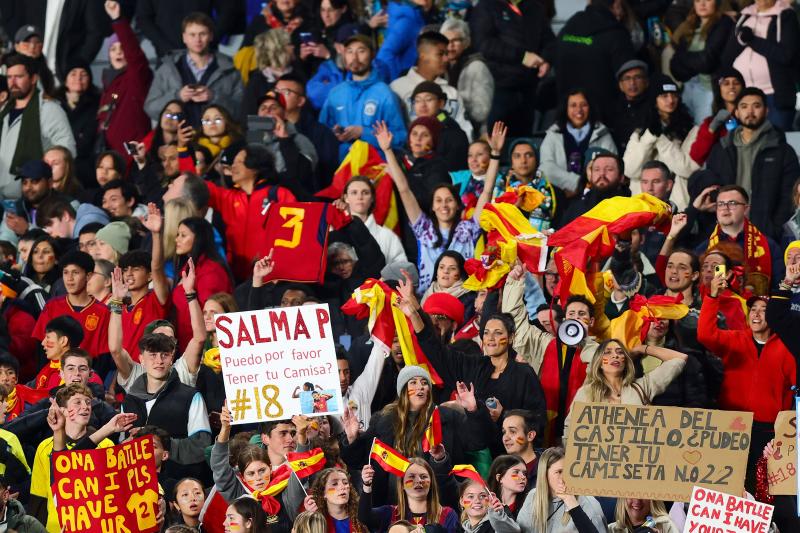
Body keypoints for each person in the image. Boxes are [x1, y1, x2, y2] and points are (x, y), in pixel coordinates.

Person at [374, 120, 500, 291]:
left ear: (457, 205)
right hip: (428, 299)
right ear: (432, 207)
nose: (444, 205)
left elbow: (487, 191)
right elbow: (404, 189)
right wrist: (388, 150)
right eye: (438, 201)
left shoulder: (469, 229)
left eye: (449, 200)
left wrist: (495, 153)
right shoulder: (424, 229)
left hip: (463, 297)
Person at [341, 365, 489, 506]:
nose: (421, 386)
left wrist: (473, 410)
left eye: (425, 383)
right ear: (404, 390)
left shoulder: (447, 417)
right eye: (413, 382)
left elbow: (478, 442)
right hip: (393, 503)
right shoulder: (382, 420)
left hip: (436, 501)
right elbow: (359, 461)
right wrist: (352, 438)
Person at [698, 273, 795, 485]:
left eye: (764, 310)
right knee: (729, 485)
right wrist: (712, 296)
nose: (757, 314)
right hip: (731, 426)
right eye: (753, 309)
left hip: (768, 431)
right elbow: (705, 335)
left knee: (760, 487)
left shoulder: (788, 347)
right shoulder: (736, 339)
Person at [699, 88, 800, 241]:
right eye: (744, 106)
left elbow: (790, 196)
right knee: (721, 267)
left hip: (767, 237)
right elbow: (713, 190)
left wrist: (774, 229)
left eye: (756, 106)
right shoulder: (721, 149)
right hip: (726, 235)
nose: (750, 111)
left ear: (766, 111)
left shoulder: (783, 151)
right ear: (737, 112)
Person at [122, 332, 212, 482]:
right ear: (141, 359)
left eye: (165, 355)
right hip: (135, 486)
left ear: (172, 358)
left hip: (179, 486)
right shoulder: (129, 401)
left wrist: (162, 443)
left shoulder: (190, 396)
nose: (159, 361)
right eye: (152, 355)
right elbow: (121, 447)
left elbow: (200, 446)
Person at [29, 384, 120, 532]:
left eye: (88, 402)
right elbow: (38, 496)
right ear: (62, 410)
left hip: (95, 527)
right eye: (77, 402)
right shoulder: (45, 447)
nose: (85, 407)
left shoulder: (106, 445)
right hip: (56, 528)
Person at [202, 144, 296, 281]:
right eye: (232, 163)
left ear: (255, 167)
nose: (232, 166)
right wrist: (183, 150)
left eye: (239, 162)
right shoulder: (228, 198)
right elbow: (193, 186)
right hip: (235, 278)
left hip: (271, 276)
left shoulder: (280, 196)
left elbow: (292, 237)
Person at [563, 339, 688, 439]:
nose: (615, 356)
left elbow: (680, 358)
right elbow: (570, 432)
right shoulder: (586, 392)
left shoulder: (643, 386)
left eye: (620, 352)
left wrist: (642, 348)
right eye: (608, 352)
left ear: (626, 361)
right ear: (599, 362)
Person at [211, 404, 306, 530]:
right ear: (242, 477)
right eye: (251, 473)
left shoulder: (286, 490)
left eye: (262, 470)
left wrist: (302, 437)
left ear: (270, 468)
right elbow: (219, 467)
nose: (258, 478)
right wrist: (225, 429)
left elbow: (301, 469)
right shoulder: (239, 493)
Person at [470, 0, 555, 137]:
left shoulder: (534, 7)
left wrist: (546, 60)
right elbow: (484, 43)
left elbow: (549, 40)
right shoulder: (486, 6)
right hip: (499, 87)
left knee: (523, 140)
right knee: (497, 138)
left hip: (529, 88)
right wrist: (522, 56)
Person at [144, 12, 243, 129]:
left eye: (202, 34)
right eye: (192, 34)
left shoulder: (229, 71)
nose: (198, 39)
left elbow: (241, 112)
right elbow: (150, 108)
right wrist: (177, 96)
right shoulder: (167, 69)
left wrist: (214, 97)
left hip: (216, 143)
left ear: (211, 36)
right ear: (184, 37)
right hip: (177, 141)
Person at [0, 54, 75, 200]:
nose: (13, 82)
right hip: (3, 200)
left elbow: (67, 152)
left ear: (33, 79)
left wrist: (47, 186)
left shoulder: (49, 110)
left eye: (19, 76)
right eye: (9, 77)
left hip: (33, 199)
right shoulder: (4, 111)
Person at [319, 32, 407, 157]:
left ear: (372, 54)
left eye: (361, 51)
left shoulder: (384, 93)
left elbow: (400, 138)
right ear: (344, 56)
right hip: (343, 168)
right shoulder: (336, 93)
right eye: (349, 51)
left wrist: (363, 133)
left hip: (375, 168)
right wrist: (334, 133)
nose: (354, 57)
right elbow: (321, 132)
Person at [721, 0, 800, 131]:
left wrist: (752, 40)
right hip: (744, 94)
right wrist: (741, 40)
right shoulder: (745, 15)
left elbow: (786, 56)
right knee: (746, 145)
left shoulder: (786, 16)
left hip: (774, 96)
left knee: (775, 145)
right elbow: (727, 56)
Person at [624, 74, 698, 209]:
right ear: (654, 100)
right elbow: (630, 170)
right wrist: (650, 136)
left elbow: (688, 169)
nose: (670, 100)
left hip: (678, 208)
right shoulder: (640, 132)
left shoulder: (690, 130)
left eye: (674, 95)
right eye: (664, 96)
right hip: (643, 209)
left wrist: (661, 140)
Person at [695, 185, 784, 294]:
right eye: (721, 204)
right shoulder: (704, 248)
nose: (725, 208)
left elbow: (779, 286)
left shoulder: (769, 246)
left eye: (732, 203)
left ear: (746, 209)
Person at [554, 0, 635, 115]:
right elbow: (629, 81)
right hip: (605, 117)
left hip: (569, 113)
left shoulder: (568, 27)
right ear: (616, 5)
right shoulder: (617, 36)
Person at [390, 32, 472, 140]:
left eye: (446, 54)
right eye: (440, 54)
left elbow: (465, 130)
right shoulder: (397, 88)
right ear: (422, 55)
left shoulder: (452, 93)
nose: (446, 59)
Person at [97, 0, 154, 157]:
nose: (118, 52)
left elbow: (135, 56)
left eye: (122, 48)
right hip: (110, 161)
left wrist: (118, 20)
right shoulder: (106, 85)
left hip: (133, 159)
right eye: (113, 49)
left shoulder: (136, 77)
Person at [539, 89, 617, 198]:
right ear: (566, 108)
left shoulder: (602, 133)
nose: (579, 110)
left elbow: (613, 166)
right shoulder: (553, 133)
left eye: (583, 105)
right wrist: (575, 184)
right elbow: (546, 168)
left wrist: (585, 188)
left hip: (596, 197)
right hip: (560, 196)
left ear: (590, 107)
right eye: (573, 105)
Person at [32, 251, 111, 359]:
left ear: (88, 276)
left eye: (75, 272)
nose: (69, 278)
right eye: (65, 272)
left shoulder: (103, 312)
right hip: (53, 372)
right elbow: (40, 346)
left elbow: (104, 354)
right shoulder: (52, 306)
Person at [668, 0, 735, 123]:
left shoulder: (724, 23)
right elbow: (674, 67)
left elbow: (706, 62)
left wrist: (683, 58)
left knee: (702, 132)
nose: (702, 4)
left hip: (709, 90)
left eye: (707, 0)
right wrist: (693, 60)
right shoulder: (689, 25)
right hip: (687, 88)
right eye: (698, 0)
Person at [171, 218, 233, 351]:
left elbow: (211, 318)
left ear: (199, 238)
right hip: (188, 345)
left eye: (183, 235)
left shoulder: (211, 271)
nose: (177, 239)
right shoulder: (189, 266)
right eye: (178, 235)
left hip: (206, 351)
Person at [516, 447, 605, 533]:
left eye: (568, 471)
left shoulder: (588, 502)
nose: (565, 477)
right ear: (544, 475)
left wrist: (571, 502)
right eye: (559, 472)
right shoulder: (533, 496)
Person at [359, 458, 460, 532]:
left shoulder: (447, 515)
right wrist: (367, 485)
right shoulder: (389, 513)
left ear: (432, 483)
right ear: (402, 484)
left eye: (423, 476)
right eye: (412, 476)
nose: (419, 481)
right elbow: (364, 517)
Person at [440, 18, 493, 136]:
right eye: (446, 41)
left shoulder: (477, 67)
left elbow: (482, 112)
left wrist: (457, 105)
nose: (450, 46)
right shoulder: (443, 67)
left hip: (473, 135)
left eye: (455, 40)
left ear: (466, 42)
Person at [342, 176, 407, 264]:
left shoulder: (388, 236)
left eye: (365, 192)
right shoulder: (335, 232)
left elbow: (401, 269)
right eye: (354, 193)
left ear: (372, 198)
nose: (360, 197)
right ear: (346, 198)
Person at [688, 68, 745, 167]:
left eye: (736, 83)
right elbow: (696, 156)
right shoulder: (709, 122)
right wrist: (711, 129)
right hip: (720, 176)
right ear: (719, 88)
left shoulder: (751, 118)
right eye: (726, 83)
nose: (731, 86)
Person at [409, 81, 469, 172]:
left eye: (428, 100)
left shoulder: (451, 130)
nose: (422, 105)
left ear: (441, 103)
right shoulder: (415, 128)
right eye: (417, 101)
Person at [54, 64, 99, 182]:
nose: (78, 78)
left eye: (83, 74)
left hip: (86, 168)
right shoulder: (53, 104)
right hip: (58, 164)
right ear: (65, 80)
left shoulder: (97, 104)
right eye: (73, 74)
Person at [559, 152, 630, 227]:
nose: (602, 173)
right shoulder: (576, 207)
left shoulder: (631, 209)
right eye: (597, 169)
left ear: (621, 177)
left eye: (609, 169)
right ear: (590, 176)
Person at [0, 159, 56, 245]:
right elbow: (6, 240)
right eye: (24, 182)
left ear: (50, 183)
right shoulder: (15, 207)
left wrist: (27, 230)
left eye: (34, 181)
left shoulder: (65, 206)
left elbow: (61, 244)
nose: (28, 188)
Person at [304, 467, 367, 531]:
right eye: (334, 484)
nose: (342, 487)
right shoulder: (316, 521)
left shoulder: (362, 516)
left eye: (345, 483)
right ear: (323, 493)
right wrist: (308, 518)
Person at [607, 60, 650, 152]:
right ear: (620, 85)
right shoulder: (612, 110)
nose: (632, 83)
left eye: (637, 77)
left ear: (646, 82)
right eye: (627, 78)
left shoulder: (655, 107)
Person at [501, 410, 542, 483]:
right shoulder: (501, 468)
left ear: (530, 436)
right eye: (504, 432)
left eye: (512, 431)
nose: (505, 438)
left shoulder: (548, 468)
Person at [608, 498, 679, 532]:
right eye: (631, 494)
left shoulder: (665, 525)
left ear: (653, 499)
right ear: (622, 499)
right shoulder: (611, 529)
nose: (637, 501)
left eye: (643, 495)